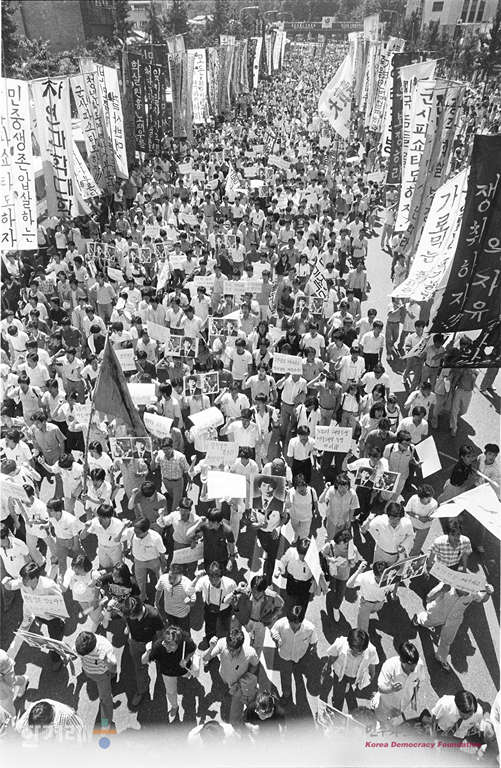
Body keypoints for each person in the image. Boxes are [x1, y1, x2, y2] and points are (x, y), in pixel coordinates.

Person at [413, 580, 494, 672]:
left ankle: (441, 657)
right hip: (437, 614)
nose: (466, 591)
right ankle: (418, 618)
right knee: (426, 622)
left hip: (454, 620)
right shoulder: (447, 584)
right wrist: (441, 590)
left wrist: (488, 593)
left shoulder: (472, 592)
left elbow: (482, 599)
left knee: (447, 641)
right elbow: (428, 598)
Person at [203, 627, 259, 725]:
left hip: (238, 686)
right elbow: (205, 658)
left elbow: (255, 665)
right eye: (229, 648)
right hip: (223, 679)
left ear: (241, 646)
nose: (231, 652)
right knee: (226, 697)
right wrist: (211, 648)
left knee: (235, 705)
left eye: (234, 650)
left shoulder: (250, 652)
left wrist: (244, 679)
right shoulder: (222, 643)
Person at [142, 626, 197, 723]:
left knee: (186, 676)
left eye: (171, 645)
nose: (167, 647)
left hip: (183, 669)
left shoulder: (185, 640)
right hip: (168, 672)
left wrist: (186, 660)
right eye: (166, 644)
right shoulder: (159, 646)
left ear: (179, 643)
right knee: (171, 692)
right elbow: (143, 661)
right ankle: (175, 706)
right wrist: (147, 652)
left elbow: (193, 649)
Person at [122, 596, 165, 708]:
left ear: (139, 611)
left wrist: (153, 648)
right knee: (139, 668)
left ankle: (161, 670)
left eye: (132, 616)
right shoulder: (128, 611)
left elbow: (160, 635)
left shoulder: (154, 615)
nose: (130, 618)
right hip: (134, 643)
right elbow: (127, 620)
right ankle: (142, 690)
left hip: (149, 644)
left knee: (159, 662)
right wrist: (129, 630)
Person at [270, 605, 318, 705]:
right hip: (285, 657)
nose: (294, 628)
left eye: (297, 624)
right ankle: (286, 695)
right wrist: (275, 637)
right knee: (285, 677)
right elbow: (273, 631)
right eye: (292, 624)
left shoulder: (310, 628)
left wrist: (313, 649)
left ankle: (299, 689)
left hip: (300, 657)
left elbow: (314, 642)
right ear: (288, 620)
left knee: (298, 675)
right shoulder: (280, 624)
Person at [321, 628, 378, 711]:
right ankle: (337, 707)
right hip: (340, 675)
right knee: (338, 696)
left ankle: (348, 691)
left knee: (351, 692)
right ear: (348, 643)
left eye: (359, 652)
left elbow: (372, 666)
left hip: (356, 678)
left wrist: (369, 678)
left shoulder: (371, 651)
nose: (356, 654)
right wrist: (328, 666)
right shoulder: (340, 644)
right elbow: (333, 656)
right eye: (353, 651)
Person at [230, 575, 284, 656]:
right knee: (238, 635)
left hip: (260, 623)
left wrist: (273, 615)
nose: (255, 594)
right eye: (253, 591)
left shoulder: (271, 596)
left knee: (258, 645)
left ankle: (255, 658)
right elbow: (234, 604)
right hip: (247, 620)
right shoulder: (245, 592)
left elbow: (281, 604)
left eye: (258, 593)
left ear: (264, 591)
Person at [375, 641, 426, 725]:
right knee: (381, 720)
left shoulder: (419, 665)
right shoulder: (389, 666)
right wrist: (391, 689)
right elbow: (380, 688)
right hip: (386, 704)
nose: (414, 670)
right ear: (402, 661)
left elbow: (418, 684)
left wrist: (414, 700)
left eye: (415, 666)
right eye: (410, 668)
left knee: (393, 721)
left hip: (403, 705)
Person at [74, 631, 117, 729]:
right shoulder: (80, 645)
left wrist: (105, 659)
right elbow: (74, 653)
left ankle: (105, 725)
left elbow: (113, 667)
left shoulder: (105, 647)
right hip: (90, 672)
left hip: (102, 676)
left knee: (105, 701)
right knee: (105, 699)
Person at [320, 529, 360, 622]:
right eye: (344, 544)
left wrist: (349, 563)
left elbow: (353, 564)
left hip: (343, 576)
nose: (346, 546)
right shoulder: (330, 545)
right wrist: (330, 559)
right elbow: (322, 553)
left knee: (340, 593)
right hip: (331, 573)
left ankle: (336, 608)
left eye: (347, 543)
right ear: (337, 543)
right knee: (331, 589)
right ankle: (330, 596)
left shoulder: (352, 549)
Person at [193, 562, 236, 648]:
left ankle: (224, 644)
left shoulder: (230, 583)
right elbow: (190, 590)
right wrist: (196, 578)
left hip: (225, 609)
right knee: (209, 627)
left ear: (221, 575)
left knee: (225, 627)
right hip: (209, 608)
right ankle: (210, 642)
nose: (213, 579)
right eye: (211, 575)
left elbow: (236, 596)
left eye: (216, 576)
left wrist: (235, 609)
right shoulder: (203, 580)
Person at [346, 561, 391, 632]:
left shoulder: (389, 576)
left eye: (386, 575)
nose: (385, 578)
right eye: (382, 577)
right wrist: (358, 571)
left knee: (373, 611)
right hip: (365, 604)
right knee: (362, 631)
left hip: (379, 603)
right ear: (375, 575)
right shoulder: (365, 577)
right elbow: (349, 584)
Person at [16, 698, 85, 741]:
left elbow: (80, 729)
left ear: (51, 723)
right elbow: (19, 727)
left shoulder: (68, 715)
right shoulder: (34, 709)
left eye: (40, 732)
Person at [405, 485, 438, 556]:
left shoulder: (434, 504)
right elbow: (408, 511)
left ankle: (412, 557)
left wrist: (429, 518)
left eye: (431, 498)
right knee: (405, 540)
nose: (430, 500)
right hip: (412, 523)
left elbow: (431, 516)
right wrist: (419, 517)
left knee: (417, 546)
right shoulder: (414, 499)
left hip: (424, 527)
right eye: (427, 499)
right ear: (420, 497)